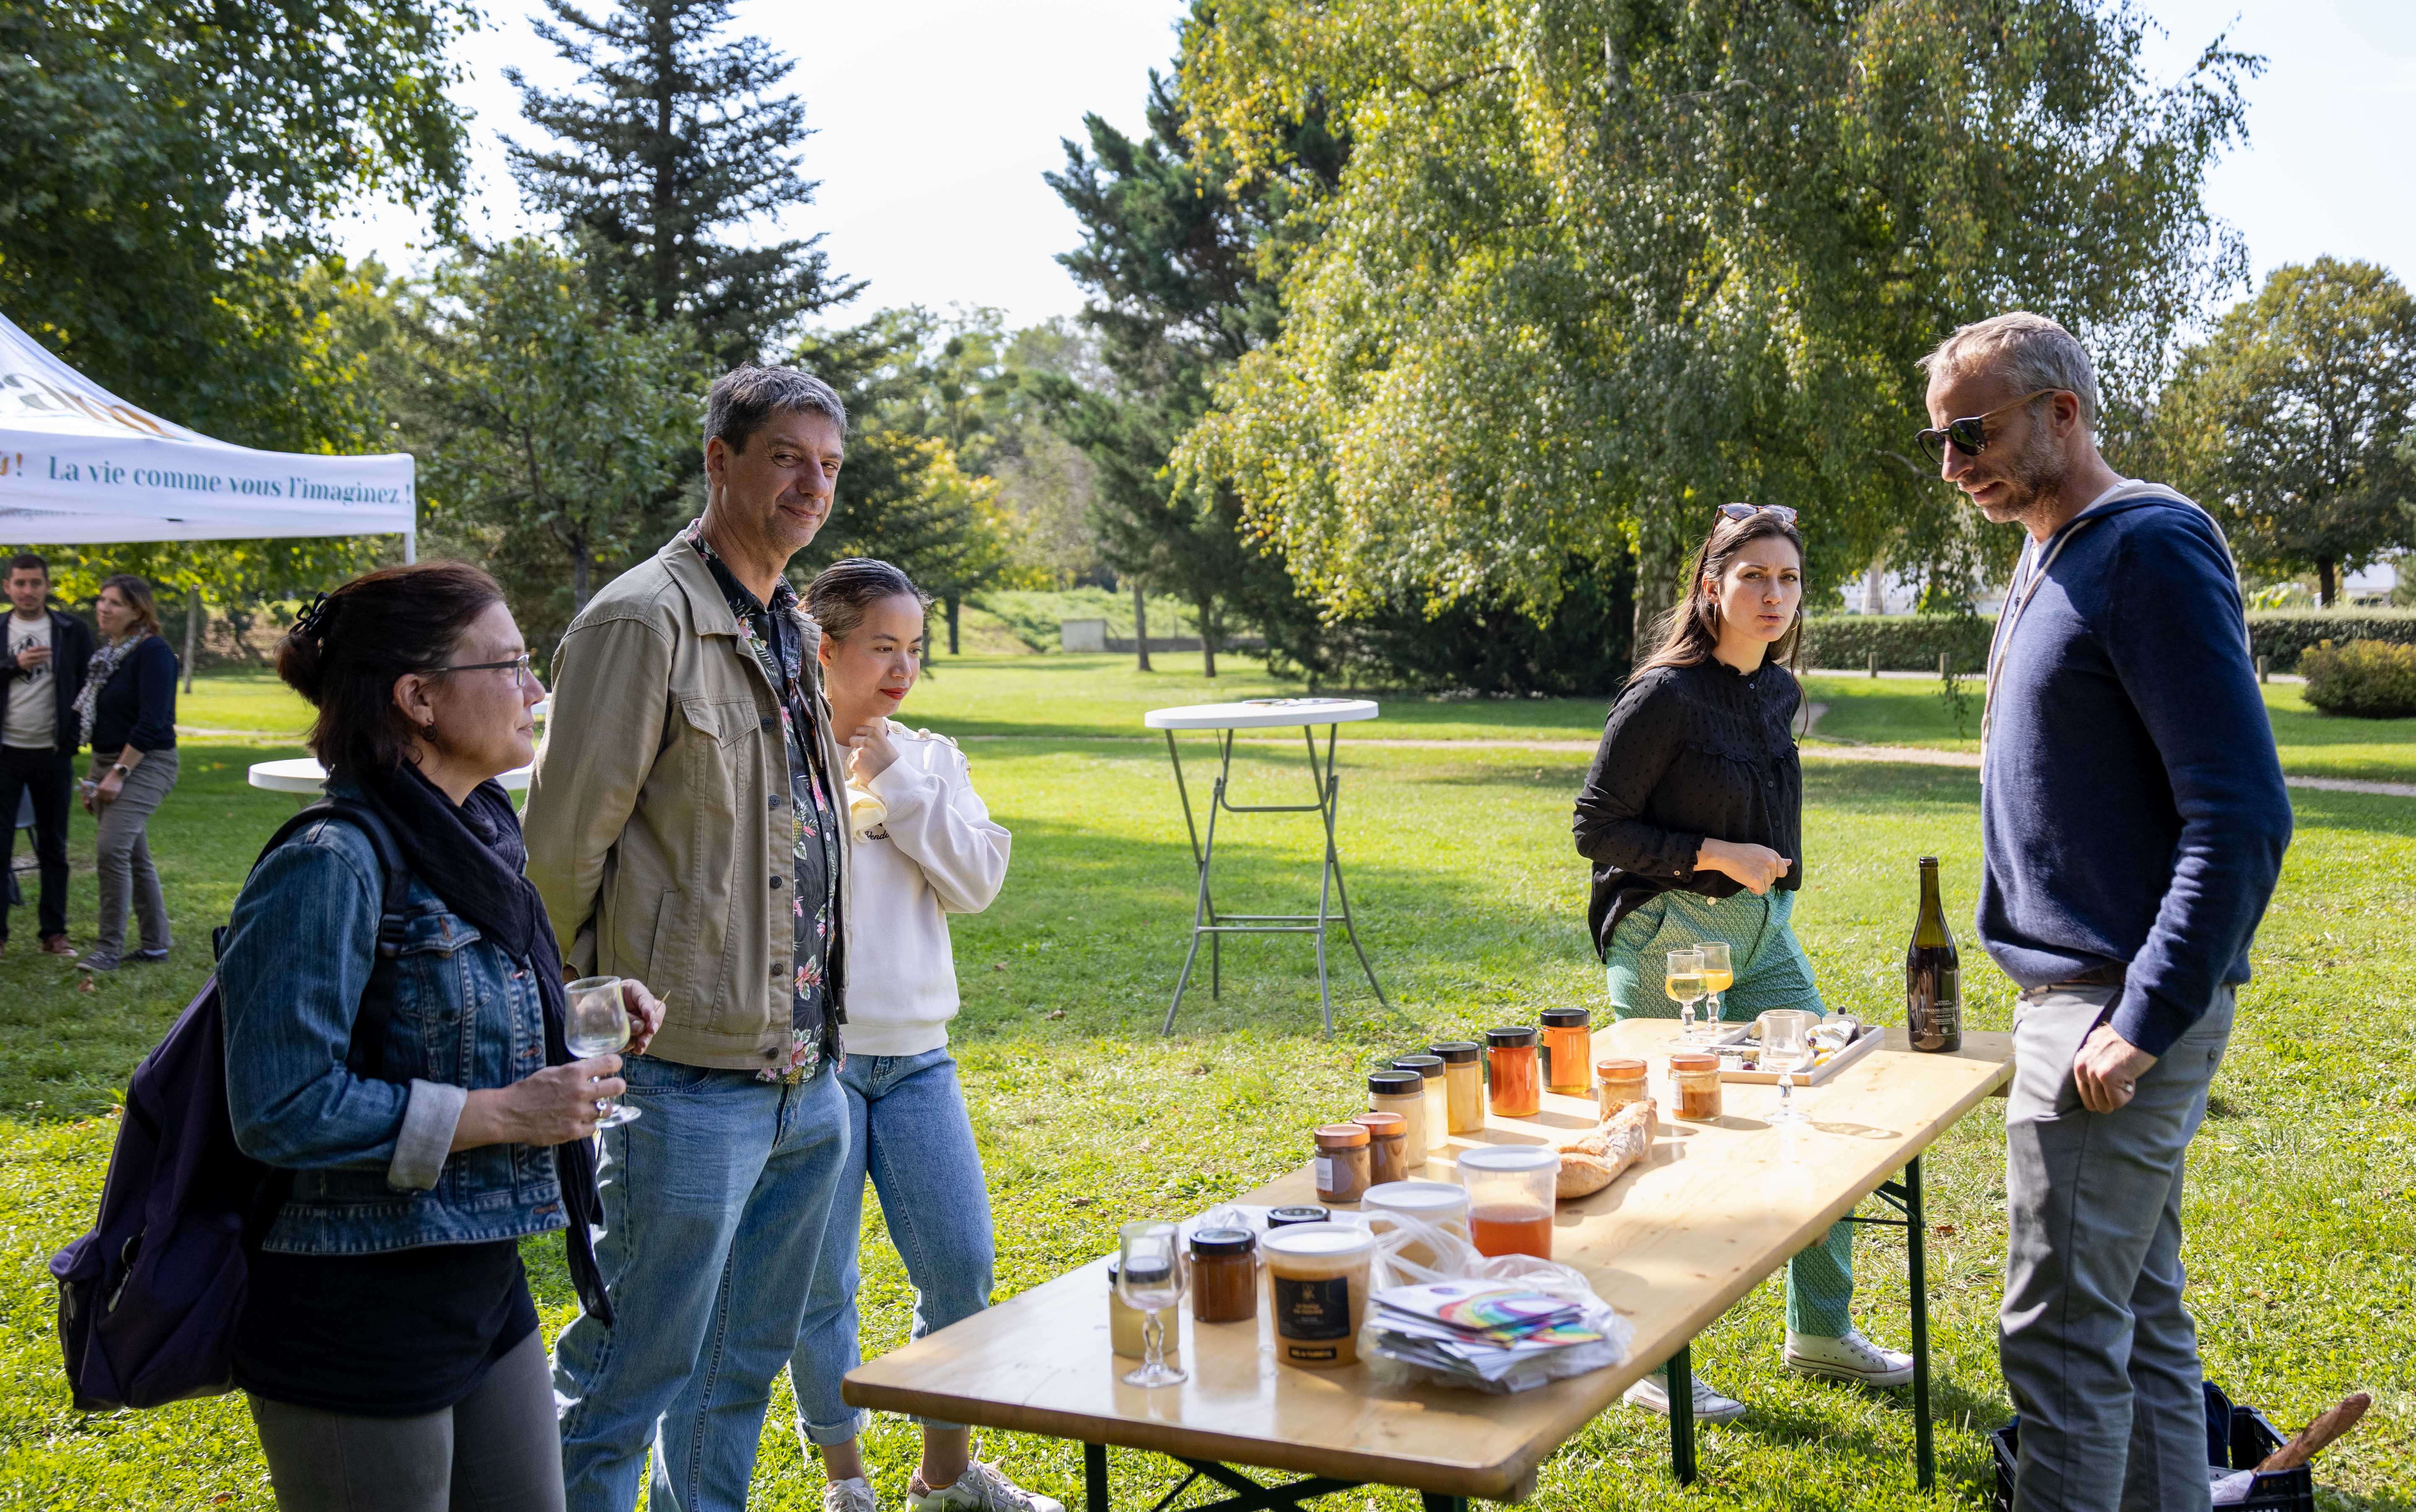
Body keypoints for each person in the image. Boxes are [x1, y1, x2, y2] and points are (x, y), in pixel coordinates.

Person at [1920, 313, 2291, 1512]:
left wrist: (2141, 1017)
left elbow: (2238, 813)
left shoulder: (2146, 549)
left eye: (1970, 433)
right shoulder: (2051, 547)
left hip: (2106, 1016)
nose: (1952, 465)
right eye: (1937, 441)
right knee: (2131, 1314)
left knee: (2060, 1338)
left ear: (2061, 414)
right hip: (2072, 999)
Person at [218, 561, 665, 1512]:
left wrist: (581, 1001)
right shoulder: (327, 864)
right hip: (353, 1297)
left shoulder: (477, 829)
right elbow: (282, 1109)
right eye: (507, 664)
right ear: (417, 697)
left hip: (478, 1274)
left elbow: (447, 995)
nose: (536, 690)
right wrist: (506, 1111)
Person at [528, 365, 859, 1512]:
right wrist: (582, 1036)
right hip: (680, 1084)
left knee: (732, 1376)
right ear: (719, 461)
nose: (810, 485)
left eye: (826, 465)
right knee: (628, 1380)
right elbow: (558, 860)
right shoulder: (638, 620)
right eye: (785, 458)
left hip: (806, 1073)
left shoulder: (788, 623)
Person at [1572, 504, 1914, 1424]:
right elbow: (1595, 828)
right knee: (1675, 1143)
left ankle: (1819, 1332)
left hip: (1762, 934)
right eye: (1753, 576)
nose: (1773, 594)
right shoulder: (1663, 696)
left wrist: (1759, 879)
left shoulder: (1774, 689)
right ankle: (1644, 1348)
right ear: (1709, 586)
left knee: (1830, 1101)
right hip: (1667, 933)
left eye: (1788, 578)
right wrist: (1716, 853)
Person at [788, 559, 1052, 1512]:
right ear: (826, 648)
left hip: (919, 1060)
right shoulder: (779, 755)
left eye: (915, 650)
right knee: (822, 1285)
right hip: (815, 1063)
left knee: (960, 1265)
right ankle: (845, 1482)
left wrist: (893, 775)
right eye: (881, 647)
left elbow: (976, 882)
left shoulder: (930, 758)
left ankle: (943, 1476)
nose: (902, 668)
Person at [73, 574, 179, 971]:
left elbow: (153, 722)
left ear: (138, 610)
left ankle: (107, 949)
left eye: (115, 603)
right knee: (134, 855)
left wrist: (118, 772)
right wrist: (94, 775)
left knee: (111, 849)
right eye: (101, 600)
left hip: (147, 762)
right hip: (108, 762)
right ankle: (155, 945)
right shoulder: (107, 656)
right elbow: (103, 722)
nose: (103, 608)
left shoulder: (153, 652)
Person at [0, 553, 94, 959]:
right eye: (20, 583)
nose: (27, 591)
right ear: (7, 587)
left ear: (47, 586)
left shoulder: (71, 629)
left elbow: (91, 684)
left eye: (35, 583)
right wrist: (13, 664)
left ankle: (53, 934)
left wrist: (73, 739)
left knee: (54, 848)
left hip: (53, 754)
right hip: (5, 753)